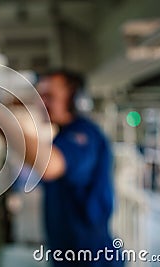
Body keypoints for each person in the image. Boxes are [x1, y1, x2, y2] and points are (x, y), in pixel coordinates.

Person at [25, 69, 122, 267]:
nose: (41, 103)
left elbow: (50, 166)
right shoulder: (62, 137)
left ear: (75, 101)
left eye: (49, 96)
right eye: (40, 96)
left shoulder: (83, 135)